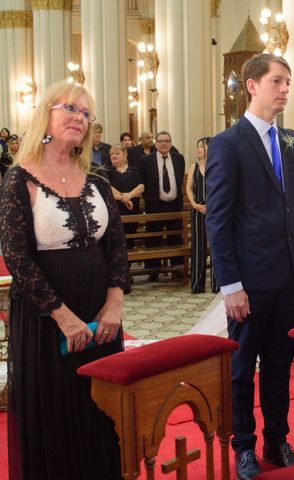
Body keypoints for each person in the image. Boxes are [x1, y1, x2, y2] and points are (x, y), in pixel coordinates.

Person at [205, 53, 294, 480]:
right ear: (252, 86)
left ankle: (277, 440)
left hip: (292, 276)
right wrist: (230, 285)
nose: (285, 89)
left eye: (288, 82)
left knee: (280, 365)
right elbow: (219, 220)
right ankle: (243, 446)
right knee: (242, 369)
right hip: (250, 280)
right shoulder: (228, 143)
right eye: (277, 81)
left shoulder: (292, 141)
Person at [0, 81, 128, 479]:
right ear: (46, 115)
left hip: (101, 316)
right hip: (46, 319)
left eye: (86, 113)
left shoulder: (99, 182)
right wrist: (62, 316)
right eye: (71, 108)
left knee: (101, 412)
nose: (80, 118)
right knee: (57, 412)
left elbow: (118, 250)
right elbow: (17, 258)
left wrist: (114, 305)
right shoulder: (18, 181)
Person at [139, 131, 185, 281]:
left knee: (175, 237)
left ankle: (177, 269)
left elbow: (178, 180)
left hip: (174, 206)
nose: (164, 143)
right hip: (155, 206)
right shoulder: (145, 161)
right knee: (154, 239)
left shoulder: (179, 159)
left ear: (171, 143)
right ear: (155, 143)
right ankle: (153, 271)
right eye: (160, 141)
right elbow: (142, 182)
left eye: (167, 141)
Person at [186, 137, 218, 294]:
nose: (198, 149)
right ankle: (197, 284)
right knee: (198, 246)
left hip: (214, 209)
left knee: (215, 246)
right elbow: (189, 187)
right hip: (198, 209)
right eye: (197, 146)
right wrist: (193, 204)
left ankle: (217, 284)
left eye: (201, 146)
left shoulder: (217, 166)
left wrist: (212, 205)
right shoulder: (194, 166)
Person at [104, 143, 144, 250]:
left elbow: (141, 187)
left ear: (125, 154)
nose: (114, 156)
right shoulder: (107, 171)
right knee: (116, 243)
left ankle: (129, 265)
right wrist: (122, 198)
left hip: (132, 211)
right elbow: (108, 188)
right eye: (111, 154)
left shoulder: (134, 170)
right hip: (115, 212)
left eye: (117, 153)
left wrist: (129, 195)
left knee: (130, 242)